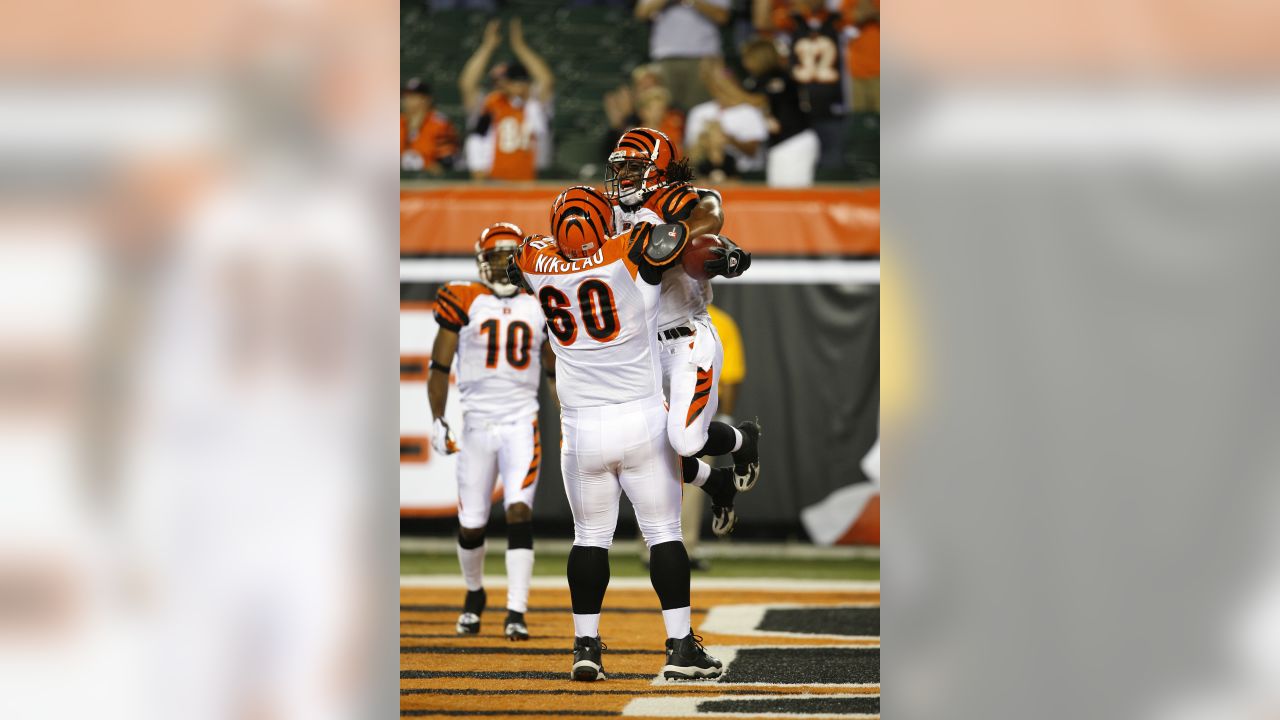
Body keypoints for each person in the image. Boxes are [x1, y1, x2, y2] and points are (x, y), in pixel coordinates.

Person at [507, 186, 757, 681]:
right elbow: (685, 239)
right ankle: (680, 648)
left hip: (580, 427)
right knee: (664, 535)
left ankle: (585, 648)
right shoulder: (631, 245)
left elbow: (524, 256)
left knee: (589, 539)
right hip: (640, 418)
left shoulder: (534, 259)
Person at [603, 128, 760, 564]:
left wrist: (678, 237)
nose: (624, 176)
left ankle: (741, 440)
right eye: (621, 168)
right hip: (639, 348)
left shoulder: (669, 200)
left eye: (634, 167)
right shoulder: (609, 210)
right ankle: (716, 482)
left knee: (685, 441)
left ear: (657, 171)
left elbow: (709, 209)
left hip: (686, 336)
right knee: (642, 450)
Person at [428, 221, 558, 641]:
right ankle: (474, 595)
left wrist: (571, 418)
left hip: (522, 421)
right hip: (477, 424)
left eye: (509, 255)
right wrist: (437, 418)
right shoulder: (464, 299)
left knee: (519, 510)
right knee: (472, 523)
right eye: (495, 255)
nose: (502, 264)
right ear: (482, 261)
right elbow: (439, 367)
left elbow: (555, 371)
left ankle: (516, 610)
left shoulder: (540, 301)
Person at [458, 19, 555, 181]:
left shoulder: (535, 104)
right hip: (492, 179)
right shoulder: (489, 103)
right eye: (499, 81)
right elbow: (467, 83)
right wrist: (487, 47)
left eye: (513, 80)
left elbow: (546, 80)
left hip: (531, 181)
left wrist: (520, 47)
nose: (504, 85)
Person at [765, 0, 853, 168]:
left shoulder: (838, 18)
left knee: (832, 166)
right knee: (795, 169)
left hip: (831, 103)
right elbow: (763, 22)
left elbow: (861, 17)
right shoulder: (791, 19)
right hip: (798, 109)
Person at [734, 40, 819, 186]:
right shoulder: (757, 81)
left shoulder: (779, 77)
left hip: (794, 141)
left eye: (748, 58)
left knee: (790, 196)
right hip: (782, 144)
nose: (745, 62)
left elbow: (759, 99)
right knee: (780, 194)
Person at [634, 0, 731, 112]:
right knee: (664, 114)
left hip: (703, 57)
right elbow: (642, 12)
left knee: (701, 111)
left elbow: (722, 16)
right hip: (666, 57)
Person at [400, 78, 459, 174]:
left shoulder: (439, 124)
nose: (408, 101)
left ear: (427, 100)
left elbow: (447, 162)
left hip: (431, 182)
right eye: (406, 97)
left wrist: (427, 167)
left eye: (414, 97)